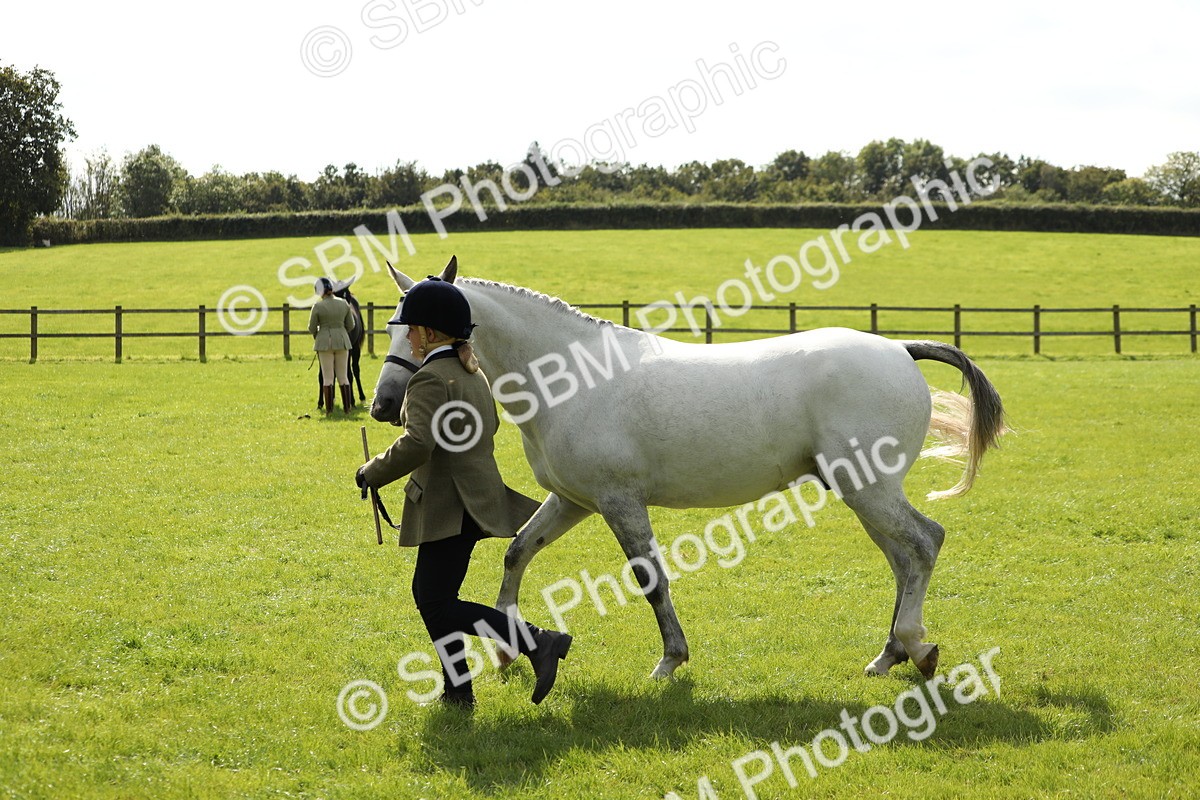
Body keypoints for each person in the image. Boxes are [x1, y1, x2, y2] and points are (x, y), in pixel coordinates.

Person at [355, 276, 572, 709]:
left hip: (450, 504)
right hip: (475, 498)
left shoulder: (430, 379)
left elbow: (417, 443)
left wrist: (371, 472)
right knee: (435, 599)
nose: (408, 336)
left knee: (434, 602)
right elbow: (486, 428)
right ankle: (459, 691)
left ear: (430, 333)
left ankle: (537, 641)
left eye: (411, 328)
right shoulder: (471, 372)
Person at [308, 277, 355, 416]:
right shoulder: (344, 304)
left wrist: (318, 335)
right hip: (342, 341)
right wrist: (340, 332)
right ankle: (347, 409)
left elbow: (311, 328)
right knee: (343, 376)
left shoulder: (318, 306)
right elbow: (351, 325)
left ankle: (329, 410)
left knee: (328, 378)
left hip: (324, 342)